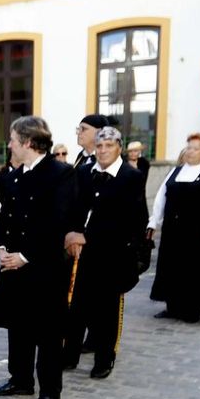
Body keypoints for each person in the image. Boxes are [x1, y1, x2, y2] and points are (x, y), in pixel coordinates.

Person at [0, 116, 77, 399]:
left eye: (13, 139)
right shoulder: (13, 176)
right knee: (18, 325)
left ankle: (51, 390)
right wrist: (0, 247)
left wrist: (25, 256)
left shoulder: (61, 173)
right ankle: (20, 378)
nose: (9, 144)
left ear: (28, 142)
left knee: (48, 332)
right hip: (13, 264)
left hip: (44, 266)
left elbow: (58, 221)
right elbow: (6, 218)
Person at [63, 126, 148, 379]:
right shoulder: (83, 173)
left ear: (119, 148)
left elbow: (133, 219)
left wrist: (87, 236)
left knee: (106, 310)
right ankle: (69, 355)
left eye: (109, 146)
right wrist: (72, 233)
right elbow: (74, 209)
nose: (103, 151)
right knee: (76, 306)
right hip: (81, 254)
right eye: (99, 146)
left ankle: (104, 358)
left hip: (113, 255)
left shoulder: (131, 177)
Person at [148, 132, 200, 322]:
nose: (190, 152)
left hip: (196, 232)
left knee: (193, 271)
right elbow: (161, 198)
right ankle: (172, 306)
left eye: (195, 148)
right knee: (171, 268)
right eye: (189, 147)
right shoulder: (175, 172)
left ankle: (191, 309)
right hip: (173, 231)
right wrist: (153, 221)